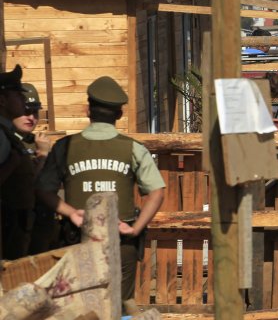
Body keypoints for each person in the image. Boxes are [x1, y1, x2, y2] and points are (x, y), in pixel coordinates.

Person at [36, 76, 166, 314]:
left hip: (76, 238)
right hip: (121, 239)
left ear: (87, 110)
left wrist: (71, 213)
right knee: (120, 305)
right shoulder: (133, 148)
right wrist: (135, 228)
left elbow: (44, 190)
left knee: (76, 308)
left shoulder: (64, 148)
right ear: (119, 114)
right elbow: (157, 192)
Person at [8, 84, 58, 256]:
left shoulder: (34, 140)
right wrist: (43, 155)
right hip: (17, 223)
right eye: (25, 111)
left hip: (39, 223)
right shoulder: (8, 142)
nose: (31, 117)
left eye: (35, 112)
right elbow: (28, 184)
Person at [0, 66, 32, 260]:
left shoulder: (8, 132)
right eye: (17, 96)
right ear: (2, 100)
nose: (23, 100)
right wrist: (13, 162)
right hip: (6, 225)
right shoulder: (2, 136)